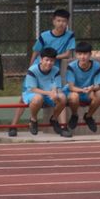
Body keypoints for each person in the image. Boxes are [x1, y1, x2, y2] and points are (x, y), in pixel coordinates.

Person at [8, 8, 76, 136]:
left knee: (59, 96)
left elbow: (67, 53)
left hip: (53, 70)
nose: (61, 23)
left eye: (64, 21)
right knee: (23, 98)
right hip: (38, 68)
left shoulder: (70, 35)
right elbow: (36, 51)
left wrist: (50, 58)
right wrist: (31, 67)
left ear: (67, 22)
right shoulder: (44, 35)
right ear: (53, 21)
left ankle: (63, 126)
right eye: (58, 20)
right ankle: (13, 126)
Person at [22, 47, 71, 138]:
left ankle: (54, 119)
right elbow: (33, 89)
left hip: (48, 94)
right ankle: (33, 119)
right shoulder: (32, 70)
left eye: (51, 60)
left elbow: (56, 86)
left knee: (63, 97)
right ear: (41, 59)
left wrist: (55, 93)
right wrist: (49, 93)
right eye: (47, 60)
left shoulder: (56, 70)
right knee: (38, 98)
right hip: (32, 94)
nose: (49, 63)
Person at [64, 41, 100, 132]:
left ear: (90, 54)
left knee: (99, 94)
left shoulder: (97, 66)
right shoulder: (71, 66)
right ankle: (74, 115)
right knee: (74, 96)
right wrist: (83, 90)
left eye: (85, 54)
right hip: (73, 92)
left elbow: (98, 86)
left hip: (88, 91)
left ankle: (88, 116)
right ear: (76, 55)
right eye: (80, 54)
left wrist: (92, 88)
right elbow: (71, 87)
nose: (82, 57)